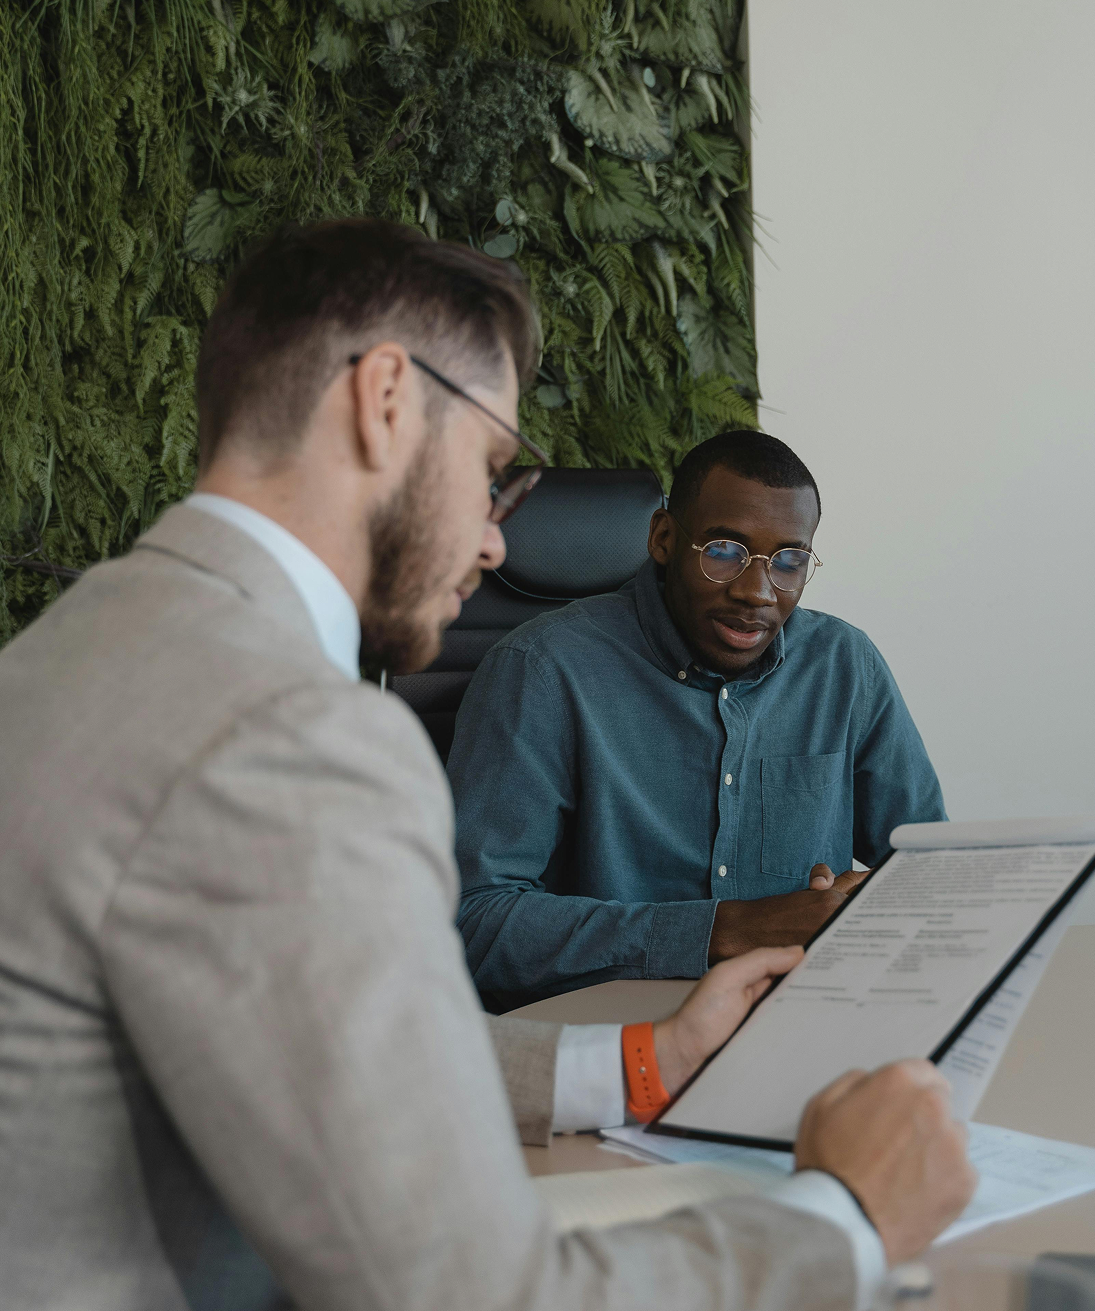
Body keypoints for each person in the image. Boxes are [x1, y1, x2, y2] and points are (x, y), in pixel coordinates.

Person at [0, 219, 974, 1311]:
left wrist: (645, 1063)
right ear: (383, 402)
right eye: (493, 471)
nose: (499, 541)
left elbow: (341, 1078)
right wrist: (847, 1217)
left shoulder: (79, 648)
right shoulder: (285, 737)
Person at [449, 431, 946, 1010]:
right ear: (663, 538)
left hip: (798, 1026)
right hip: (609, 1048)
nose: (757, 592)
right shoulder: (541, 672)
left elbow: (932, 875)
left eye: (789, 562)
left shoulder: (843, 665)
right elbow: (469, 922)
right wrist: (725, 931)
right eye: (724, 551)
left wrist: (867, 905)